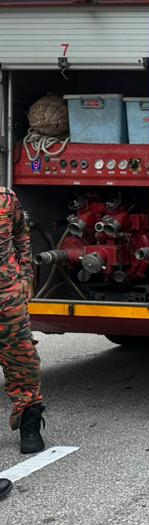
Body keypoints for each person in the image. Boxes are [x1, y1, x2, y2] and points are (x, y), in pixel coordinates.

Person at [0, 187, 45, 454]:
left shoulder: (6, 199)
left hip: (7, 296)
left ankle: (29, 423)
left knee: (22, 359)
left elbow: (21, 236)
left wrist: (26, 275)